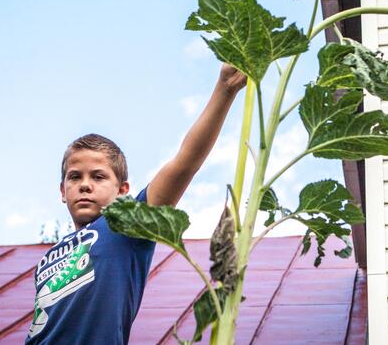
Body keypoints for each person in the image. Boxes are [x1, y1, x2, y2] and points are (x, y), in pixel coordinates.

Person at [25, 64, 247, 344]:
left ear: (122, 191)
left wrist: (224, 90)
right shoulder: (48, 258)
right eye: (74, 177)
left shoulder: (126, 226)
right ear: (62, 190)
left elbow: (184, 163)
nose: (84, 184)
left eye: (98, 176)